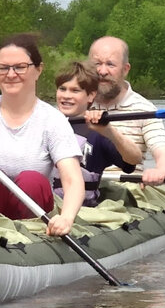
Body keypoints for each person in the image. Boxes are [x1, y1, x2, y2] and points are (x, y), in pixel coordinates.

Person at [0, 34, 85, 237]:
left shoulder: (53, 120)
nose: (10, 74)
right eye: (3, 67)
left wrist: (67, 217)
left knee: (31, 179)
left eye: (20, 67)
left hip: (32, 213)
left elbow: (72, 179)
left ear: (38, 70)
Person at [88, 36, 165, 185]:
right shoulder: (77, 104)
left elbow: (164, 154)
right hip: (82, 187)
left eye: (110, 64)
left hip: (127, 189)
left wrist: (161, 171)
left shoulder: (144, 109)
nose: (102, 71)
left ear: (125, 69)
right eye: (97, 64)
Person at [51, 60, 142, 206]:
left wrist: (109, 132)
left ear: (90, 96)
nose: (66, 96)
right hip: (44, 205)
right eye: (62, 89)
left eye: (75, 90)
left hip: (82, 211)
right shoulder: (45, 125)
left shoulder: (98, 132)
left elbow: (134, 160)